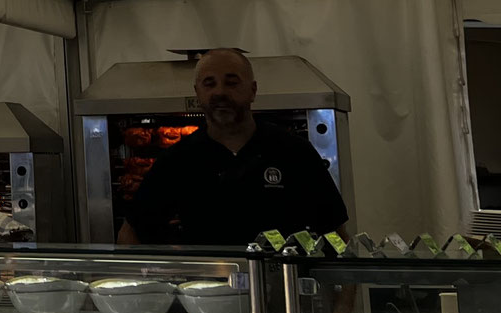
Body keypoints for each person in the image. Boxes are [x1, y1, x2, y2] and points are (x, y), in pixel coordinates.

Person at [119, 48, 347, 246]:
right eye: (209, 84)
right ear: (198, 93)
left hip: (283, 280)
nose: (220, 92)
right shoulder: (177, 160)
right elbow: (129, 234)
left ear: (253, 90)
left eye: (231, 82)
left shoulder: (293, 151)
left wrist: (334, 281)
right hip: (207, 283)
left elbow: (336, 234)